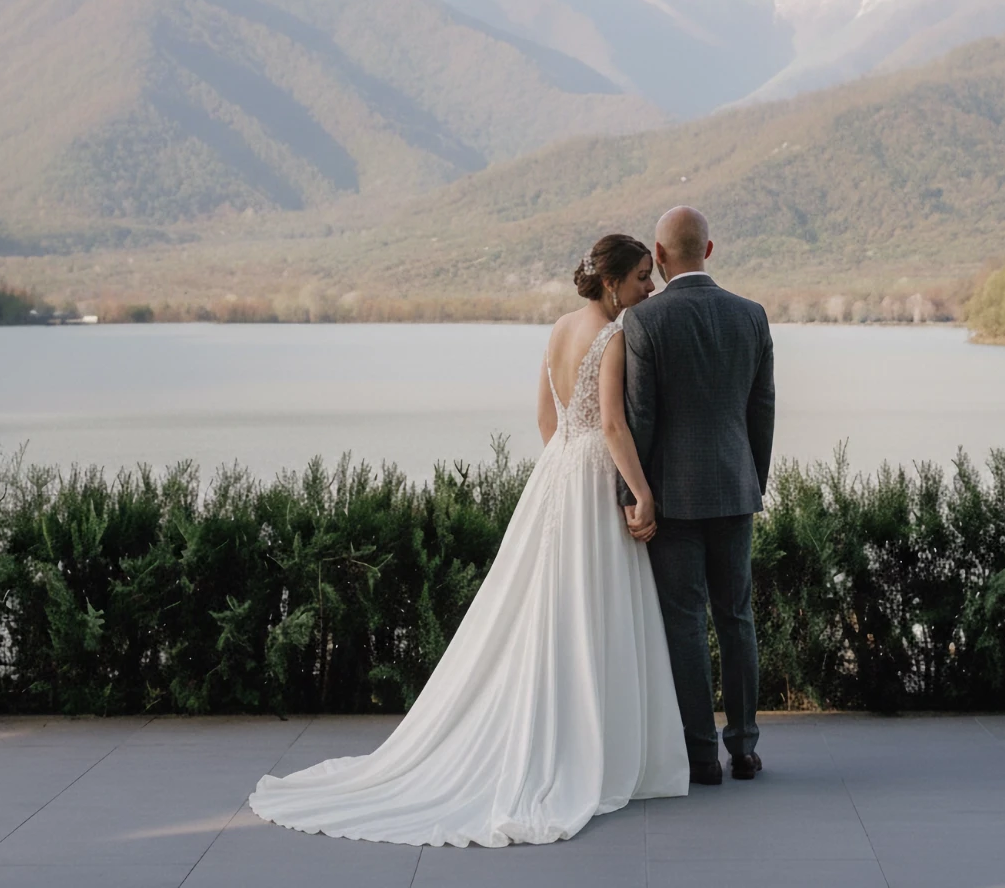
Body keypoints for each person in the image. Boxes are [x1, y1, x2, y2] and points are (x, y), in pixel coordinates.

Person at [247, 233, 688, 846]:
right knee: (592, 606)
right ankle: (591, 748)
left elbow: (545, 419)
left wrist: (563, 469)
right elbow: (613, 425)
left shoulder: (560, 328)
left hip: (557, 471)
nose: (650, 287)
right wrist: (639, 494)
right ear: (612, 282)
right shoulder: (614, 337)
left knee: (549, 606)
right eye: (643, 276)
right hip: (590, 474)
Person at [622, 206, 775, 784]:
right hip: (735, 490)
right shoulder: (752, 316)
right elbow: (762, 413)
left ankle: (700, 755)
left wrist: (633, 497)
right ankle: (744, 747)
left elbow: (640, 421)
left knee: (684, 622)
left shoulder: (645, 322)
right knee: (737, 617)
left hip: (672, 498)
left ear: (658, 257)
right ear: (708, 251)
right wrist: (750, 482)